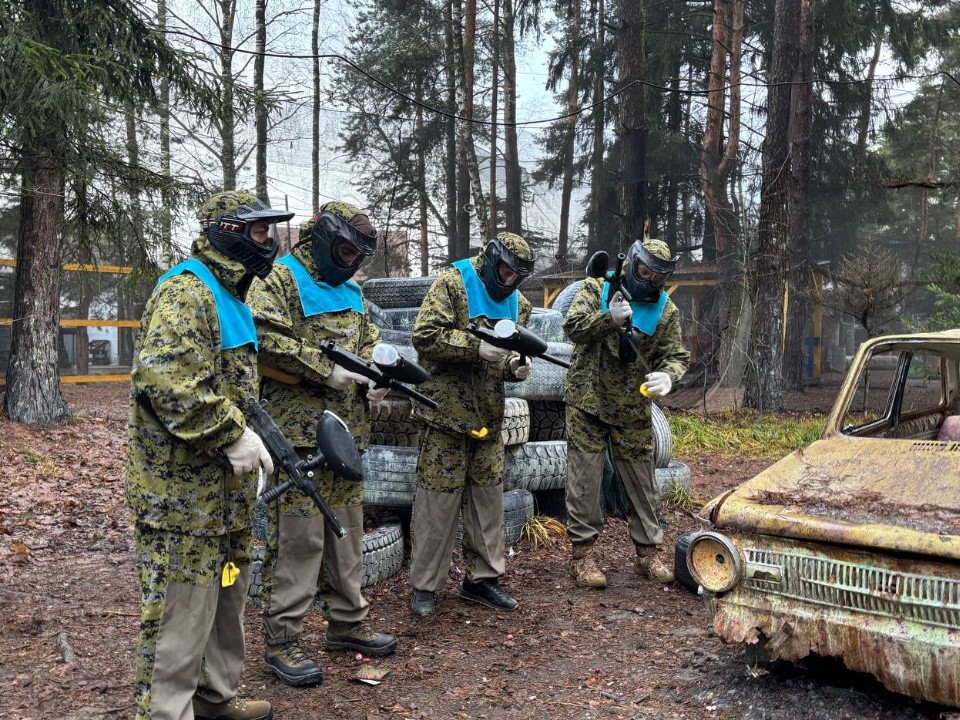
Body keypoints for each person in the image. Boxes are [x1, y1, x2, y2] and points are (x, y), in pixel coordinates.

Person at [126, 190, 293, 720]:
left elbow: (234, 387)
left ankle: (215, 700)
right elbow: (168, 380)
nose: (269, 244)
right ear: (228, 230)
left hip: (225, 492)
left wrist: (254, 438)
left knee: (226, 599)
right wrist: (229, 434)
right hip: (182, 495)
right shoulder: (187, 291)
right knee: (180, 612)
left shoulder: (233, 294)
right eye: (261, 233)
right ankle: (166, 712)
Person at [247, 201, 397, 688]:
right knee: (299, 540)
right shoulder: (280, 279)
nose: (351, 261)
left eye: (360, 255)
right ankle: (282, 639)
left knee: (347, 533)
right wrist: (323, 367)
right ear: (324, 237)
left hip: (347, 433)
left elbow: (367, 339)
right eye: (346, 250)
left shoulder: (350, 290)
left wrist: (375, 375)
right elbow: (261, 337)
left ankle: (347, 623)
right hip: (297, 438)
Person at [408, 232, 534, 617]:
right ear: (491, 259)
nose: (509, 281)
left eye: (517, 276)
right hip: (445, 414)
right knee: (437, 502)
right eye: (505, 271)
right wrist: (474, 346)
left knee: (487, 502)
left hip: (487, 417)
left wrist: (516, 366)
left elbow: (511, 356)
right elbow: (424, 337)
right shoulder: (452, 284)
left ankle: (483, 580)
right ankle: (426, 586)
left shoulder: (519, 304)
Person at [562, 237, 690, 589]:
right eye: (645, 271)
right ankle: (583, 557)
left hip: (633, 408)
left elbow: (676, 356)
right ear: (633, 263)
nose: (650, 281)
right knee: (584, 482)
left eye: (659, 277)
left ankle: (648, 554)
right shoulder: (597, 288)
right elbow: (572, 327)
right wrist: (608, 318)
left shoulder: (665, 309)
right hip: (588, 402)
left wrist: (669, 376)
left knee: (642, 482)